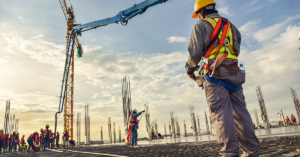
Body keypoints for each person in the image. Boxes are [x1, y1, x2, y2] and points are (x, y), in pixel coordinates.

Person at [185, 0, 260, 156]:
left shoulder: (201, 26)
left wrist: (190, 69)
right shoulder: (231, 26)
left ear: (201, 12)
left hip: (214, 75)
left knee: (221, 115)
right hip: (235, 73)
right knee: (241, 114)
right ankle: (252, 152)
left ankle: (230, 153)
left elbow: (195, 53)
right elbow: (236, 50)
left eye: (198, 15)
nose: (198, 18)